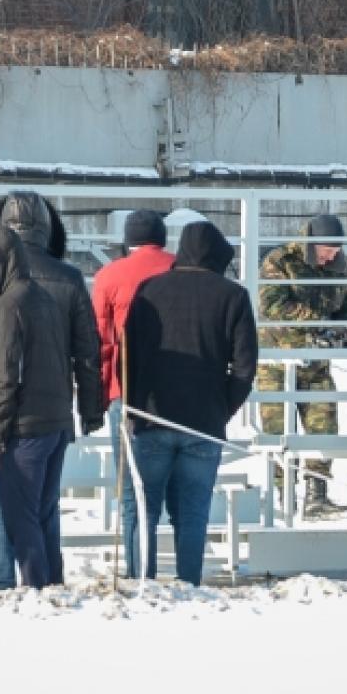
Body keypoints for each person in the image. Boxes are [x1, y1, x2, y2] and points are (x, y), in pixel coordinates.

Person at [0, 192, 103, 588]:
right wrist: (90, 407)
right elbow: (87, 351)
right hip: (52, 413)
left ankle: (3, 584)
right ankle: (48, 584)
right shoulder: (68, 278)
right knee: (45, 506)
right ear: (48, 227)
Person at [123, 220, 258, 585]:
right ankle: (188, 584)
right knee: (194, 512)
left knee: (143, 509)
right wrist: (221, 408)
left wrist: (135, 405)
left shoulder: (149, 290)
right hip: (204, 423)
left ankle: (143, 583)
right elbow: (245, 366)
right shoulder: (233, 295)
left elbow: (128, 356)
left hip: (151, 418)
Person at [0, 224, 76, 590]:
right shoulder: (43, 298)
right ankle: (52, 585)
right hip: (57, 423)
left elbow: (4, 374)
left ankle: (34, 588)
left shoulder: (7, 306)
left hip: (25, 428)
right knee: (44, 513)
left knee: (21, 517)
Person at [257, 213, 347, 519]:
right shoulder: (281, 261)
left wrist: (340, 331)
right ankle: (282, 496)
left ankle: (317, 496)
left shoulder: (338, 269)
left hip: (317, 365)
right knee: (278, 433)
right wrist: (317, 324)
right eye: (326, 251)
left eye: (335, 252)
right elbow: (273, 305)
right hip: (277, 362)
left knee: (324, 430)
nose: (330, 258)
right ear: (311, 244)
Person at [90, 209, 174, 577]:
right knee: (180, 491)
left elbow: (101, 342)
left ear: (127, 239)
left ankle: (140, 570)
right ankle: (186, 572)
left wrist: (103, 391)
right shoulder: (179, 268)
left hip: (127, 393)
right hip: (179, 391)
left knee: (132, 491)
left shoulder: (109, 276)